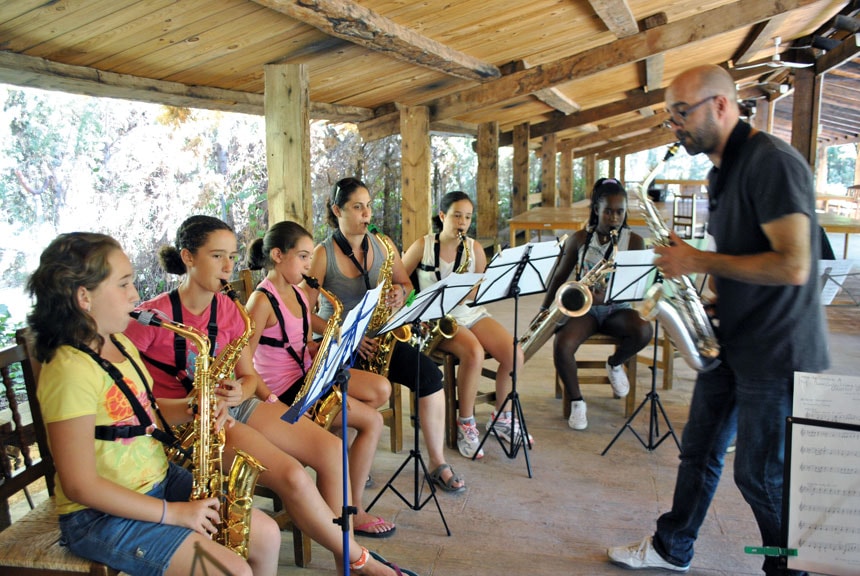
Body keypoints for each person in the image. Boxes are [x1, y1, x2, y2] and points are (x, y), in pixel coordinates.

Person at [607, 64, 829, 575]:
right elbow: (747, 255)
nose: (674, 126)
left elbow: (794, 265)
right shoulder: (719, 172)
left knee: (760, 477)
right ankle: (672, 547)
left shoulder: (772, 163)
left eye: (682, 113)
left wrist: (698, 261)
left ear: (722, 105)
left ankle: (790, 569)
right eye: (670, 116)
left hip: (775, 349)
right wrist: (714, 298)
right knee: (699, 451)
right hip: (731, 337)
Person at [125, 215, 416, 575]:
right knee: (293, 476)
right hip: (186, 426)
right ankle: (360, 561)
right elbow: (130, 400)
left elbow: (249, 377)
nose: (228, 267)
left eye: (232, 256)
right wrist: (195, 406)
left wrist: (239, 389)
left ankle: (347, 558)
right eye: (217, 256)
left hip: (231, 407)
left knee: (330, 450)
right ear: (188, 257)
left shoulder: (229, 310)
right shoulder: (150, 319)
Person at [27, 232, 280, 576]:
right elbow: (79, 485)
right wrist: (174, 514)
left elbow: (144, 412)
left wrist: (196, 408)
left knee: (266, 534)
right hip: (100, 516)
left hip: (158, 480)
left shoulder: (119, 343)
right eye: (123, 284)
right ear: (83, 296)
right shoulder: (68, 370)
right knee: (232, 570)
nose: (135, 295)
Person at [306, 177, 466, 493]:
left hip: (380, 339)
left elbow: (406, 285)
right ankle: (348, 464)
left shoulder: (383, 244)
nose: (367, 214)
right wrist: (346, 334)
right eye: (357, 207)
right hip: (339, 343)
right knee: (355, 393)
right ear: (337, 210)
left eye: (368, 206)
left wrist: (399, 294)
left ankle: (437, 462)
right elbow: (302, 313)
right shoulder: (322, 255)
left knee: (430, 376)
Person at [245, 220, 395, 538]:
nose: (307, 265)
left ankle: (341, 468)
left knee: (380, 389)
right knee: (372, 421)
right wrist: (268, 398)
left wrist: (331, 340)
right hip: (286, 393)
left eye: (309, 258)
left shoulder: (299, 294)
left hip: (308, 376)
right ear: (277, 255)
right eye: (302, 257)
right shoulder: (261, 301)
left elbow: (306, 334)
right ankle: (353, 509)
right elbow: (244, 363)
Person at [401, 191, 531, 459]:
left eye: (468, 217)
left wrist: (469, 291)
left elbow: (480, 290)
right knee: (474, 352)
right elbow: (399, 280)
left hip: (468, 312)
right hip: (436, 317)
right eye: (456, 215)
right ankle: (466, 423)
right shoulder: (423, 245)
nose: (462, 222)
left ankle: (503, 417)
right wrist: (412, 306)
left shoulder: (474, 248)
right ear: (442, 216)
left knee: (514, 354)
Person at [541, 178, 653, 431]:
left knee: (644, 330)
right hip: (586, 310)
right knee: (562, 344)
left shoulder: (634, 241)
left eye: (620, 212)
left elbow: (636, 287)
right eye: (608, 212)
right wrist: (543, 311)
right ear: (596, 210)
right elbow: (559, 276)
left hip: (618, 310)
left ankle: (615, 363)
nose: (614, 218)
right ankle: (577, 402)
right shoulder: (580, 238)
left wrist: (609, 295)